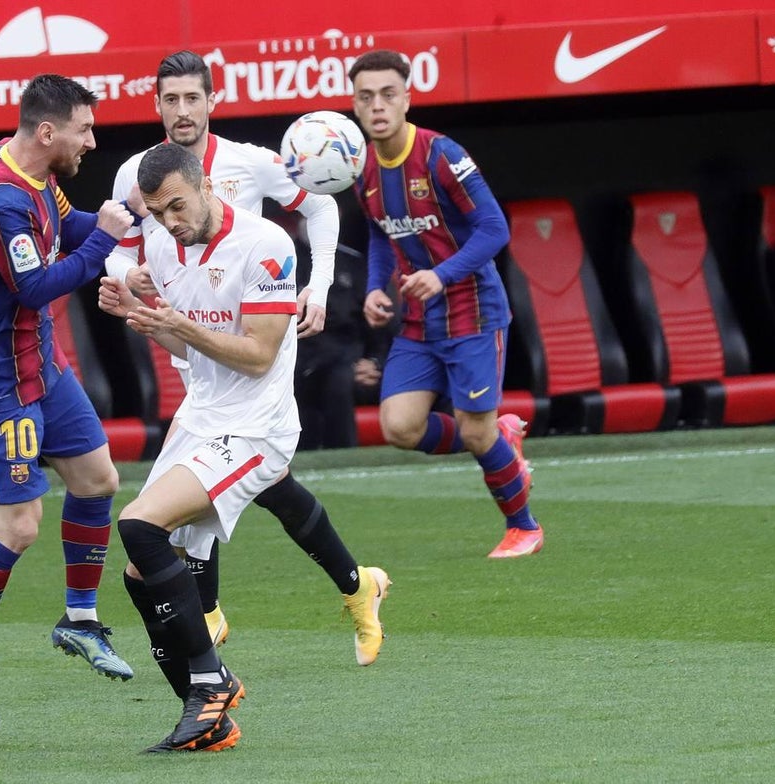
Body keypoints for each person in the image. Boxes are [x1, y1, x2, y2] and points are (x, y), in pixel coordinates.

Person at [98, 142, 390, 753]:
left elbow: (258, 357)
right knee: (138, 575)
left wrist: (174, 323)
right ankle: (208, 717)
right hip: (201, 417)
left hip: (258, 426)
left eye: (178, 205)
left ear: (206, 185)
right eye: (158, 212)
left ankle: (211, 685)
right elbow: (191, 348)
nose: (170, 222)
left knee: (140, 526)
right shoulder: (163, 245)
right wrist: (141, 316)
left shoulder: (266, 244)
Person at [105, 49, 368, 649]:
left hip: (249, 338)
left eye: (192, 98)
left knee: (204, 489)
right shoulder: (135, 175)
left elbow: (320, 203)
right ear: (156, 105)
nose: (182, 110)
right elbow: (119, 251)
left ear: (212, 101)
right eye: (170, 99)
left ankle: (207, 621)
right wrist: (128, 278)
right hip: (190, 347)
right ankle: (356, 583)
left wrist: (319, 285)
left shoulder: (250, 165)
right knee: (254, 487)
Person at [0, 74, 139, 730]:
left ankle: (79, 620)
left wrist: (129, 223)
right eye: (84, 129)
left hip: (39, 361)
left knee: (98, 477)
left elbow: (65, 226)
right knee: (18, 524)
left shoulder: (29, 166)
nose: (92, 141)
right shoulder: (1, 199)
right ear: (48, 132)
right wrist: (106, 239)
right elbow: (36, 285)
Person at [349, 50, 542, 558]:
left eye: (388, 94)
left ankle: (524, 527)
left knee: (475, 432)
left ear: (407, 99)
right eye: (366, 97)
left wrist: (441, 274)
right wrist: (375, 287)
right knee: (399, 426)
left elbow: (494, 229)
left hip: (473, 311)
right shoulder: (360, 167)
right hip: (418, 318)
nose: (377, 105)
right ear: (355, 105)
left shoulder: (441, 154)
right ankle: (498, 437)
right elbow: (379, 233)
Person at [284, 212, 398, 450]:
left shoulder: (353, 263)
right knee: (296, 381)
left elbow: (379, 324)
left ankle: (344, 456)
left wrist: (376, 361)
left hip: (345, 361)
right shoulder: (282, 262)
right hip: (294, 359)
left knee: (339, 380)